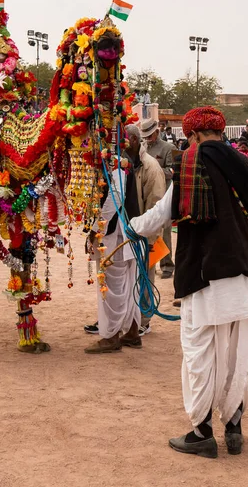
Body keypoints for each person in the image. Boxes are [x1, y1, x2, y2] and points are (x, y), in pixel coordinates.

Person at [129, 106, 248, 458]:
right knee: (238, 355)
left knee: (199, 355)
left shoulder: (189, 166)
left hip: (202, 280)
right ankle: (234, 426)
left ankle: (201, 432)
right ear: (221, 133)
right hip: (240, 278)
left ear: (192, 136)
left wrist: (129, 225)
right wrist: (233, 238)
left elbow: (157, 219)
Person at [84, 124, 166, 337]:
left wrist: (148, 238)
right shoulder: (122, 164)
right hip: (128, 232)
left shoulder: (149, 167)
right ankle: (123, 325)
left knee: (141, 280)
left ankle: (140, 322)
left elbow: (155, 205)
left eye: (120, 140)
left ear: (134, 141)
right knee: (127, 284)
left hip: (141, 233)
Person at [84, 154, 141, 354]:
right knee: (127, 284)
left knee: (112, 287)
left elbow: (115, 196)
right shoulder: (116, 159)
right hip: (125, 234)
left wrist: (94, 229)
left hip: (116, 236)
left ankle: (110, 336)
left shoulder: (115, 160)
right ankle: (132, 332)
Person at [140, 118, 175, 281]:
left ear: (157, 132)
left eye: (150, 135)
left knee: (164, 231)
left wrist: (155, 170)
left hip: (164, 194)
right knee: (148, 229)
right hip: (146, 194)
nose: (147, 139)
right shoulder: (143, 149)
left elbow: (172, 170)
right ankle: (149, 262)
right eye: (145, 136)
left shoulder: (168, 148)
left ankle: (167, 265)